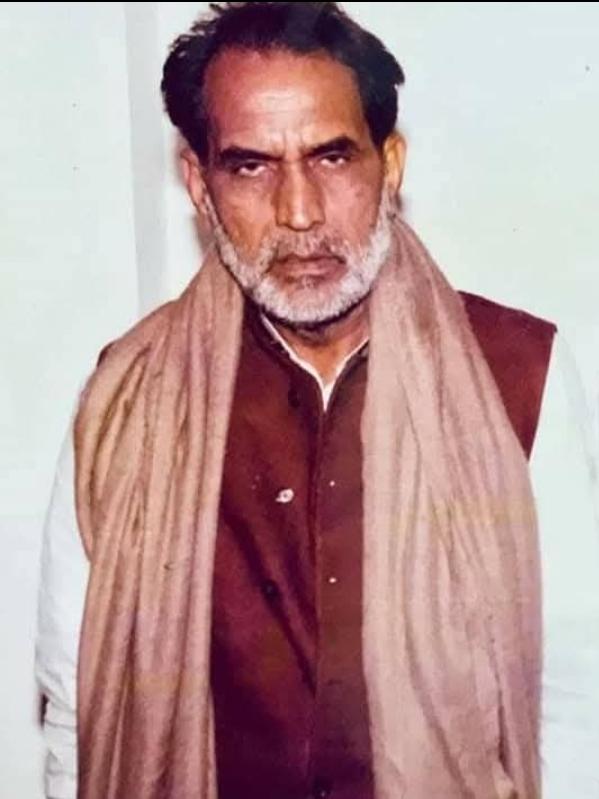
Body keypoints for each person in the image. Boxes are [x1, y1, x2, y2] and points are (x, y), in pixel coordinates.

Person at [36, 3, 599, 799]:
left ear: (389, 166)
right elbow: (77, 709)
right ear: (199, 185)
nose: (298, 213)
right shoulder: (126, 398)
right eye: (250, 166)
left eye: (331, 158)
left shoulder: (518, 370)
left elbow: (577, 695)